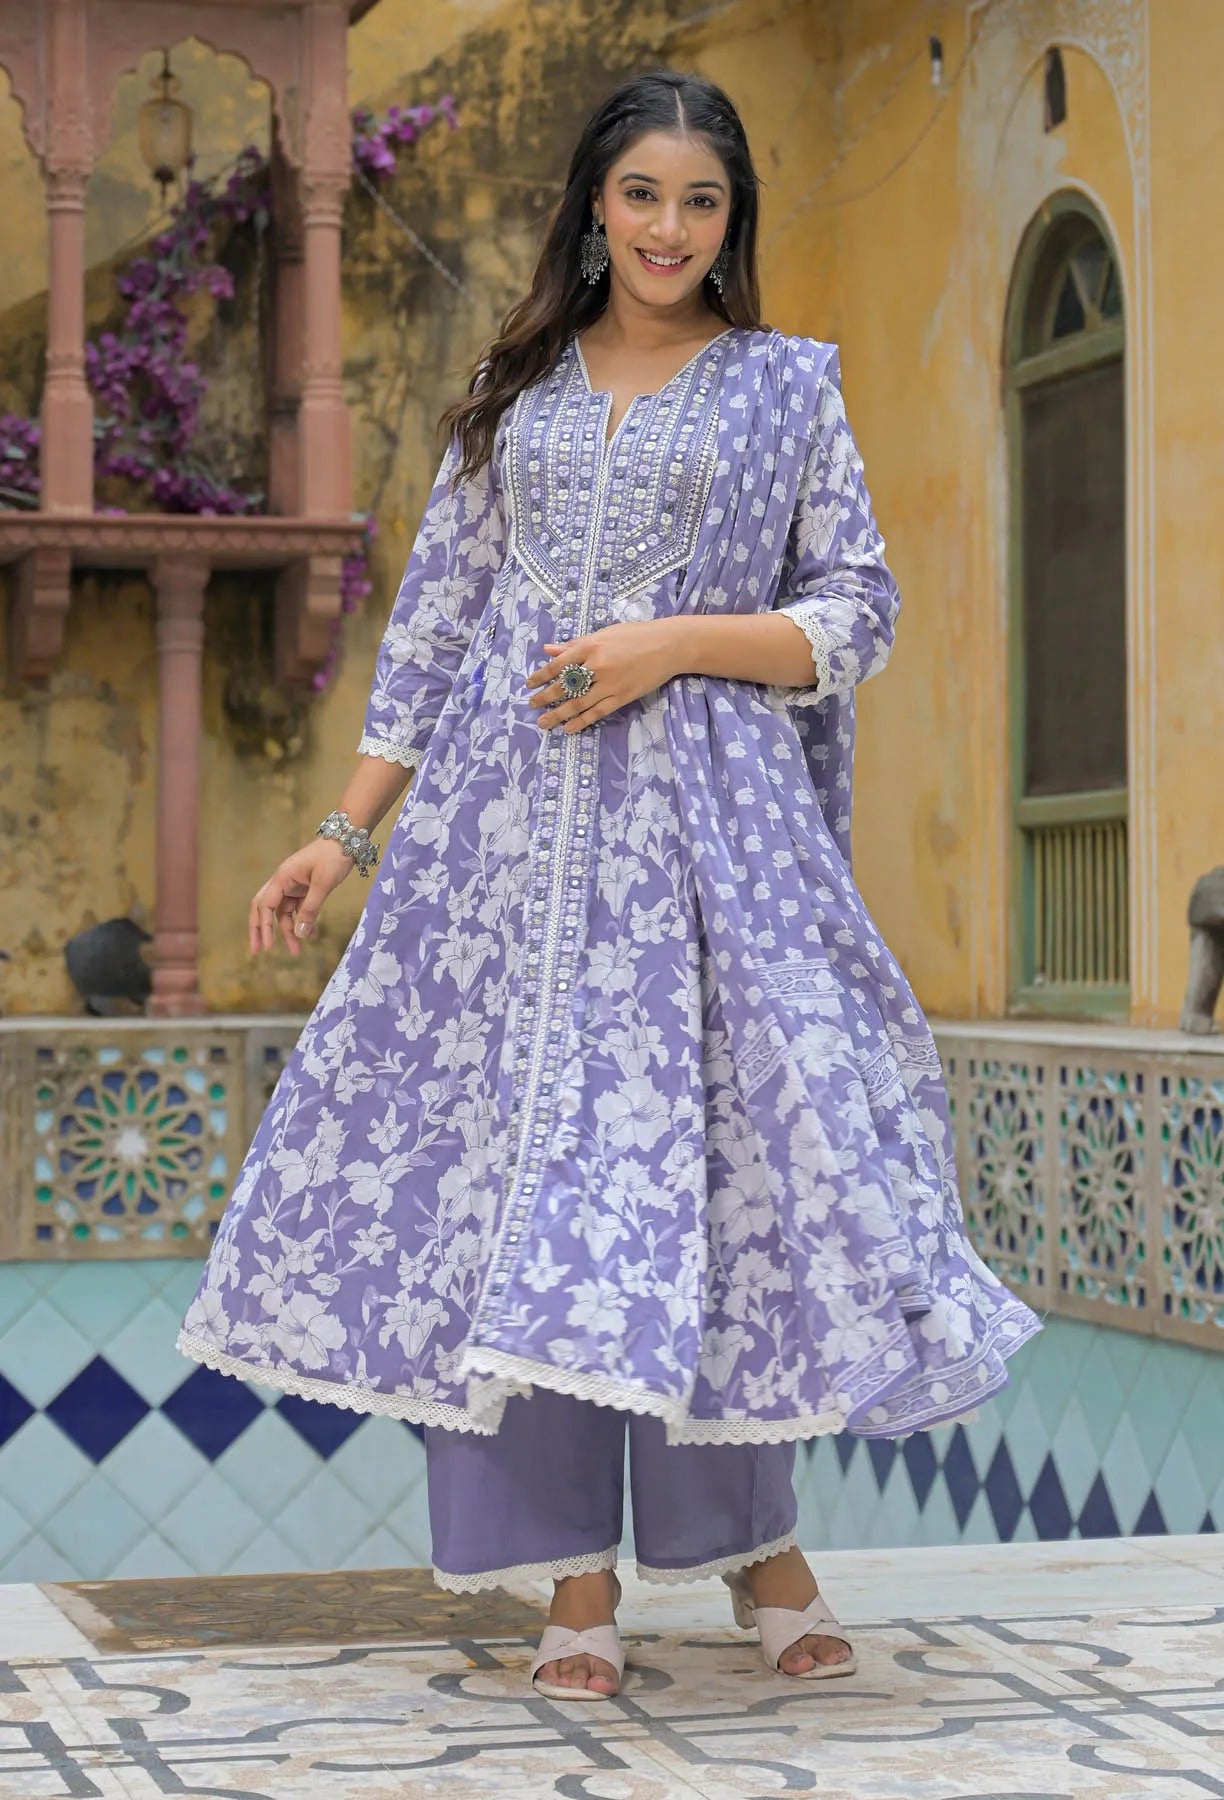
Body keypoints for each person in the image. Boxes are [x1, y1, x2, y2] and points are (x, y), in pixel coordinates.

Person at [178, 69, 1041, 1700]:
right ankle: (572, 1573)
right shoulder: (513, 408)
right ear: (593, 207)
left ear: (733, 224)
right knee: (540, 1196)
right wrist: (342, 835)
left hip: (714, 867)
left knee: (713, 1187)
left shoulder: (787, 390)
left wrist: (673, 646)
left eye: (701, 200)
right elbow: (433, 638)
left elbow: (857, 610)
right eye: (641, 194)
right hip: (506, 873)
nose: (667, 227)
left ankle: (755, 1550)